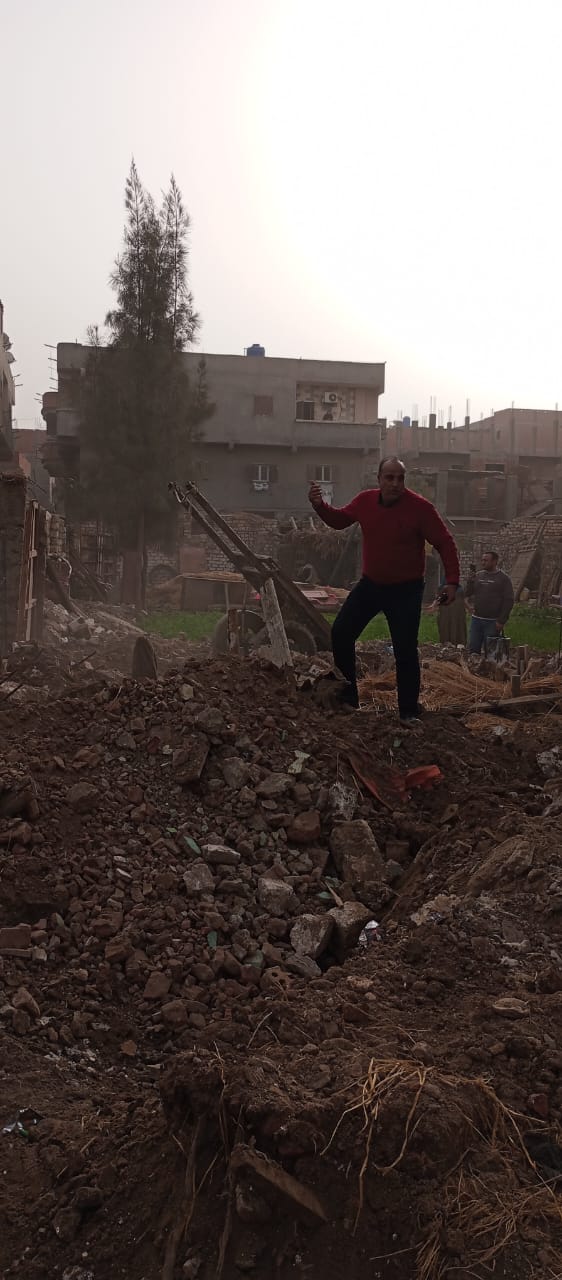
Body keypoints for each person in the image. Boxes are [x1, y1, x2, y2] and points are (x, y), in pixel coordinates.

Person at [308, 456, 460, 721]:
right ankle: (348, 698)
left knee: (405, 650)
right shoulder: (365, 501)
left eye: (400, 478)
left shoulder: (420, 508)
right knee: (341, 632)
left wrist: (452, 581)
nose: (395, 483)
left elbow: (445, 543)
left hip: (406, 590)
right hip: (372, 585)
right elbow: (339, 520)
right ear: (379, 479)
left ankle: (408, 712)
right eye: (389, 478)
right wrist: (320, 506)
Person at [465, 551, 514, 654]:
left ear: (495, 561)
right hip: (476, 620)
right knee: (473, 649)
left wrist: (501, 620)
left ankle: (490, 664)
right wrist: (470, 581)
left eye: (486, 560)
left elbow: (509, 601)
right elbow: (468, 593)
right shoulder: (478, 576)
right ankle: (474, 664)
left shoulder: (503, 578)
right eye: (482, 560)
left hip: (492, 622)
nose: (483, 562)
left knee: (492, 652)